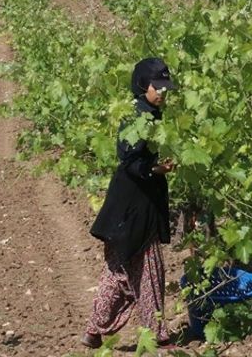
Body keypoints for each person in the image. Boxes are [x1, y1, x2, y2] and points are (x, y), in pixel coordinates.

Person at [83, 57, 178, 349]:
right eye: (156, 87)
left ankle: (101, 330)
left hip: (138, 206)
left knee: (135, 271)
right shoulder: (138, 116)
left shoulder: (151, 114)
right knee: (133, 271)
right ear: (142, 86)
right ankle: (145, 334)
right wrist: (154, 170)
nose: (162, 92)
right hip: (133, 208)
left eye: (165, 87)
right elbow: (129, 161)